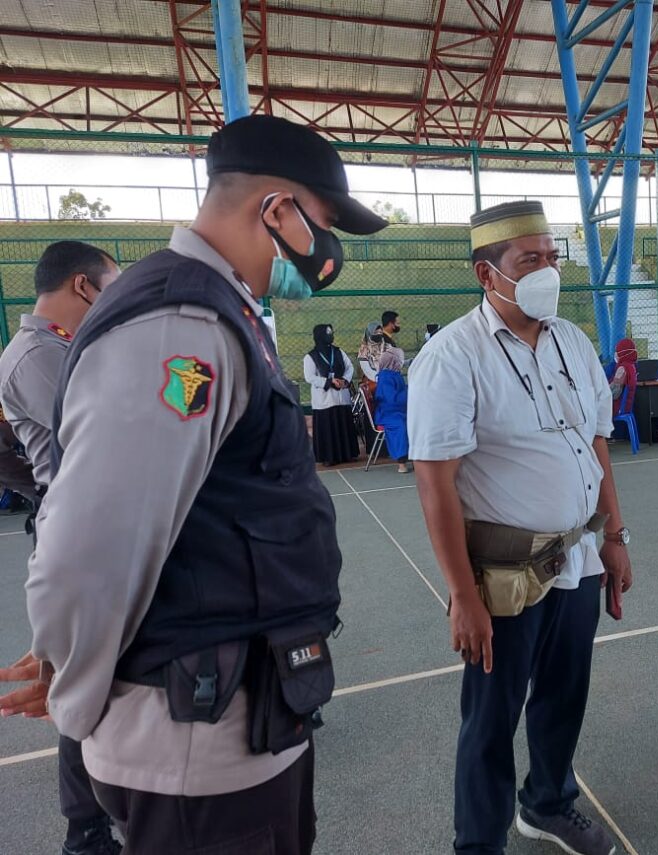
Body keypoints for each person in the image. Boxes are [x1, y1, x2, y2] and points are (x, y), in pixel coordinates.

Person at [18, 114, 387, 854]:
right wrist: (76, 687)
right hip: (195, 747)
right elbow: (91, 543)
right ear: (276, 210)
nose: (330, 248)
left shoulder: (221, 311)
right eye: (325, 221)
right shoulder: (181, 326)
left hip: (234, 718)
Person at [408, 200, 633, 855]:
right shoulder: (453, 357)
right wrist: (463, 595)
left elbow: (597, 445)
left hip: (580, 558)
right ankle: (479, 843)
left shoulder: (571, 340)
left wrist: (614, 538)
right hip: (503, 575)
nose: (548, 271)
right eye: (529, 260)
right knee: (491, 717)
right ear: (488, 273)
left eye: (552, 257)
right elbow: (435, 483)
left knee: (565, 695)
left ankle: (549, 804)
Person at [0, 240, 122, 855]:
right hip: (81, 536)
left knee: (105, 671)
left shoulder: (61, 349)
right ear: (83, 287)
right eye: (113, 284)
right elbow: (113, 423)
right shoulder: (35, 355)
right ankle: (87, 831)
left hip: (101, 527)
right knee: (79, 680)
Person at [304, 323, 358, 466]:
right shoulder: (311, 356)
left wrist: (344, 380)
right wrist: (328, 381)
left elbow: (349, 367)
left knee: (343, 424)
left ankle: (347, 454)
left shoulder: (339, 352)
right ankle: (329, 457)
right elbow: (309, 377)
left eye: (332, 333)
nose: (331, 336)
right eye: (328, 333)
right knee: (328, 428)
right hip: (324, 398)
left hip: (341, 395)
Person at [372, 348, 411, 473]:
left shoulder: (394, 374)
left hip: (397, 410)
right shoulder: (385, 377)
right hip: (388, 413)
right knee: (400, 425)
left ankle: (416, 455)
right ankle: (401, 461)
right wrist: (409, 392)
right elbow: (392, 399)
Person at [609, 337, 638, 416]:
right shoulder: (632, 367)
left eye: (617, 351)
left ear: (623, 353)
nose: (616, 354)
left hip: (617, 408)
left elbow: (615, 394)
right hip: (626, 408)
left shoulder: (622, 369)